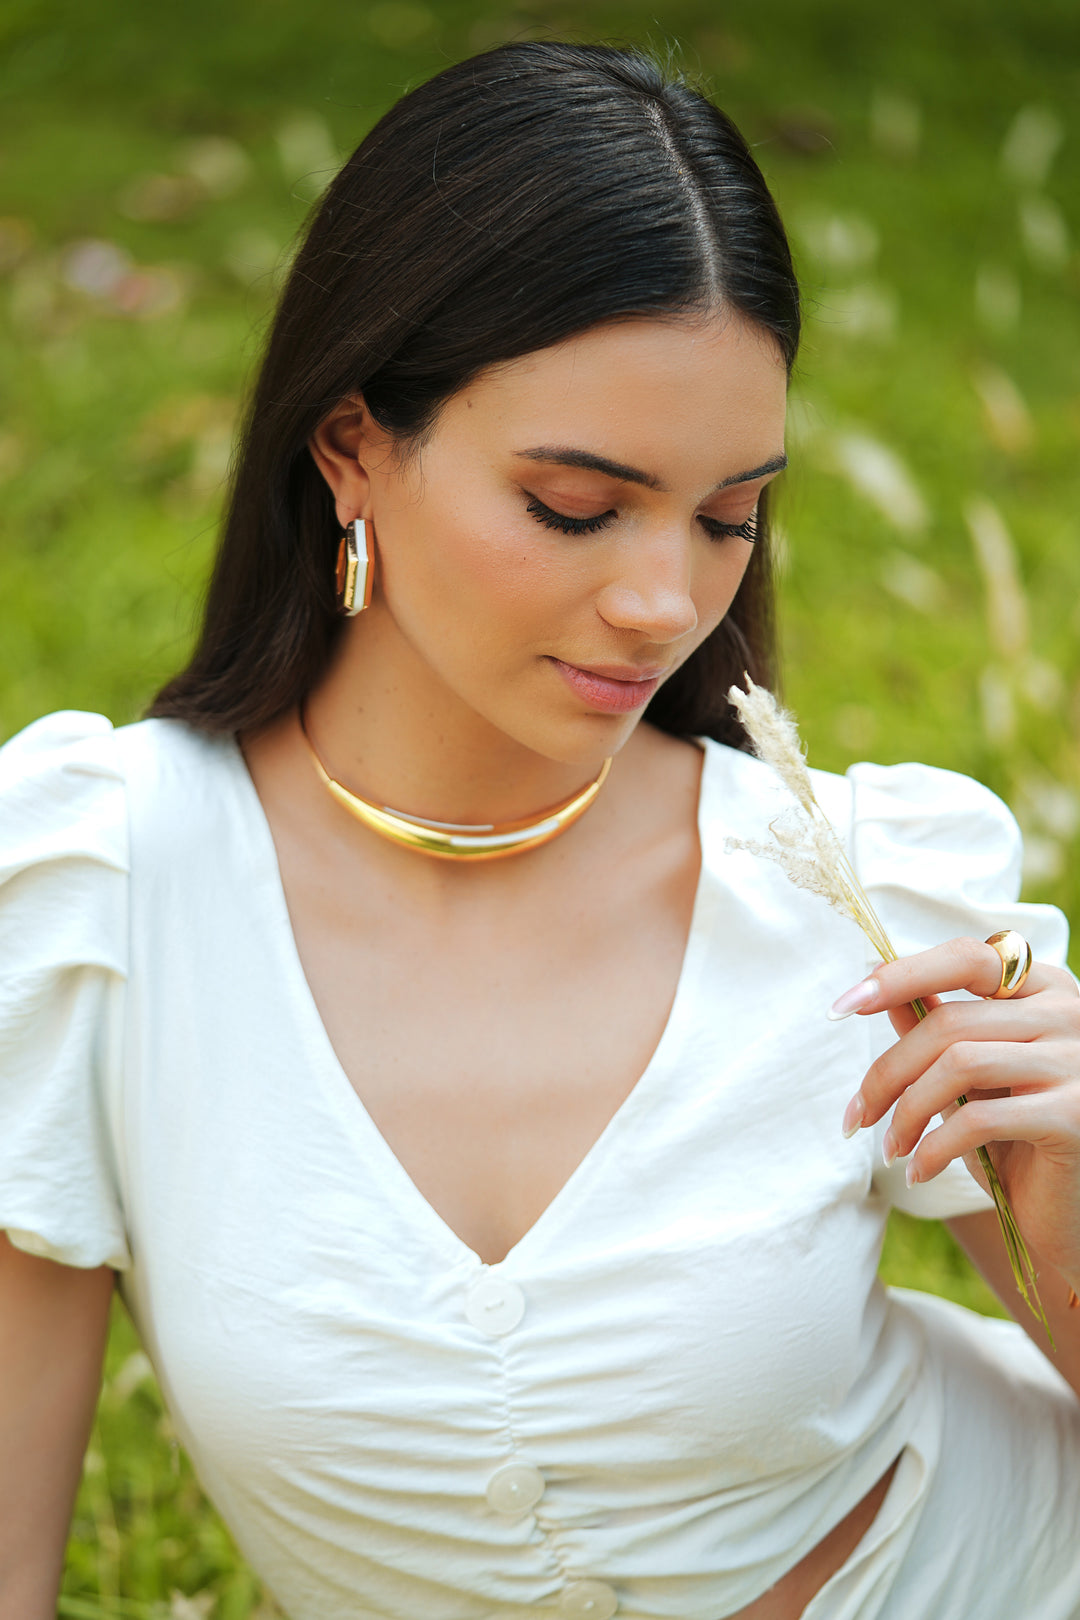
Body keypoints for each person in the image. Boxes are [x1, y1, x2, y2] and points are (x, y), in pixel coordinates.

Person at [1, 39, 1079, 1620]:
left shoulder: (859, 896)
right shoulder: (100, 896)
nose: (665, 603)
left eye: (729, 516)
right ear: (352, 444)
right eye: (575, 505)